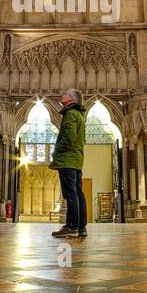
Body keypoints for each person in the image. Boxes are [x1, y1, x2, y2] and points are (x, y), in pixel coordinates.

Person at [49, 89, 87, 239]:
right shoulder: (78, 115)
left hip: (67, 159)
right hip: (76, 159)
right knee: (78, 193)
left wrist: (57, 150)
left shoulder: (70, 114)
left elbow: (69, 137)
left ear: (71, 99)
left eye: (65, 94)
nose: (62, 95)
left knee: (71, 194)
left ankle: (71, 226)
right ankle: (81, 226)